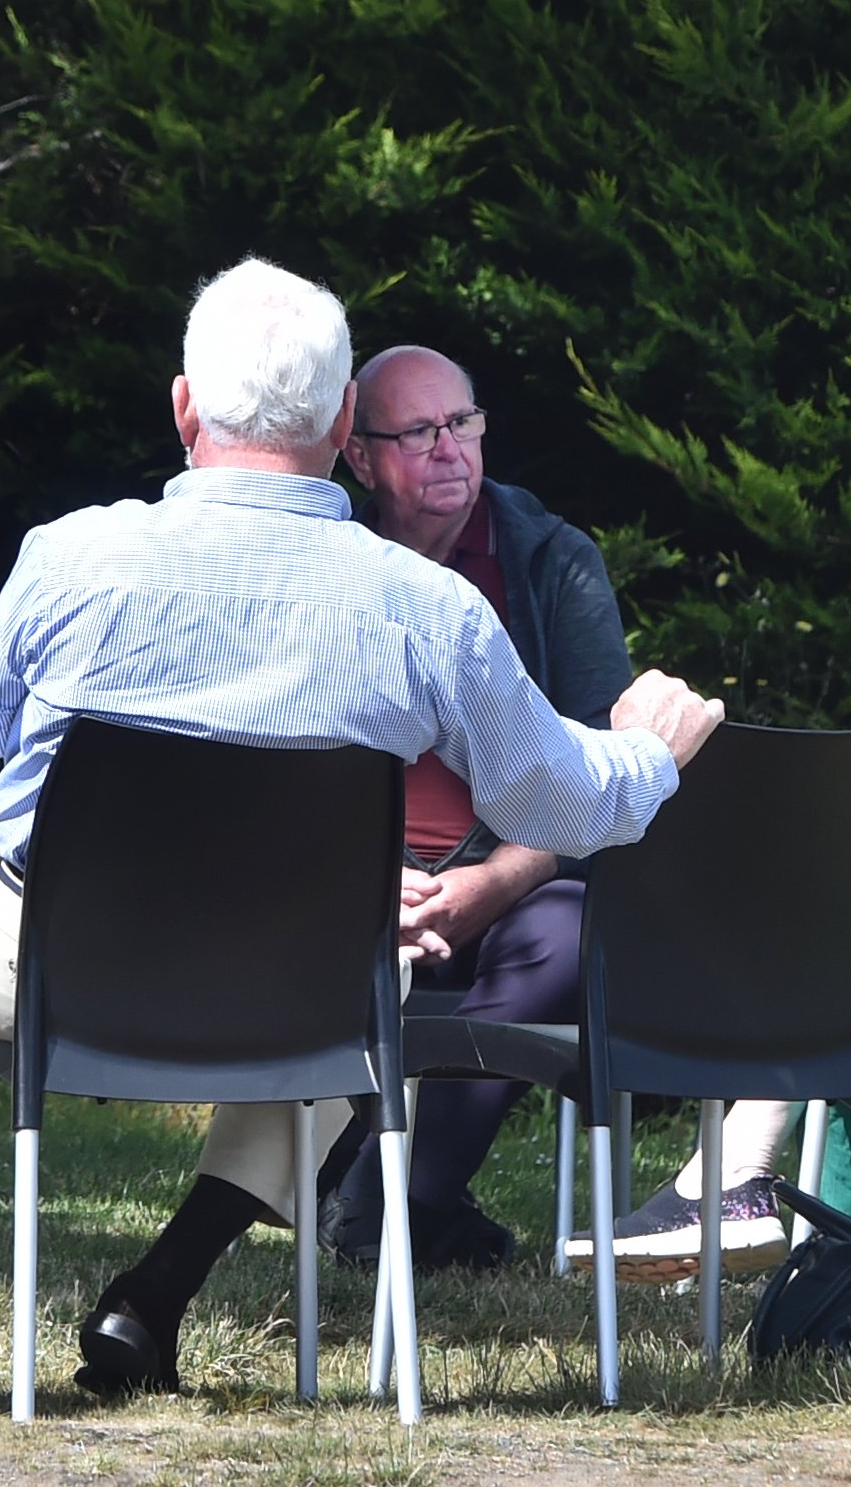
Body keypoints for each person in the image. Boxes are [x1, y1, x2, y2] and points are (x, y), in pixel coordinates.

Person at [0, 258, 727, 1399]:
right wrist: (651, 754)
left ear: (185, 409)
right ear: (341, 425)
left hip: (47, 961)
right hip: (288, 987)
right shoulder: (425, 609)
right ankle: (157, 1288)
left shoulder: (68, 554)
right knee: (354, 975)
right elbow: (560, 802)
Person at [307, 343, 649, 1273]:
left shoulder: (548, 561)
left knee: (573, 927)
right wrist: (370, 880)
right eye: (418, 433)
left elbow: (598, 766)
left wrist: (488, 885)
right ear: (361, 455)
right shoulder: (322, 561)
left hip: (501, 881)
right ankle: (371, 1191)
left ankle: (392, 1201)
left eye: (462, 423)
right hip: (339, 878)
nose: (450, 448)